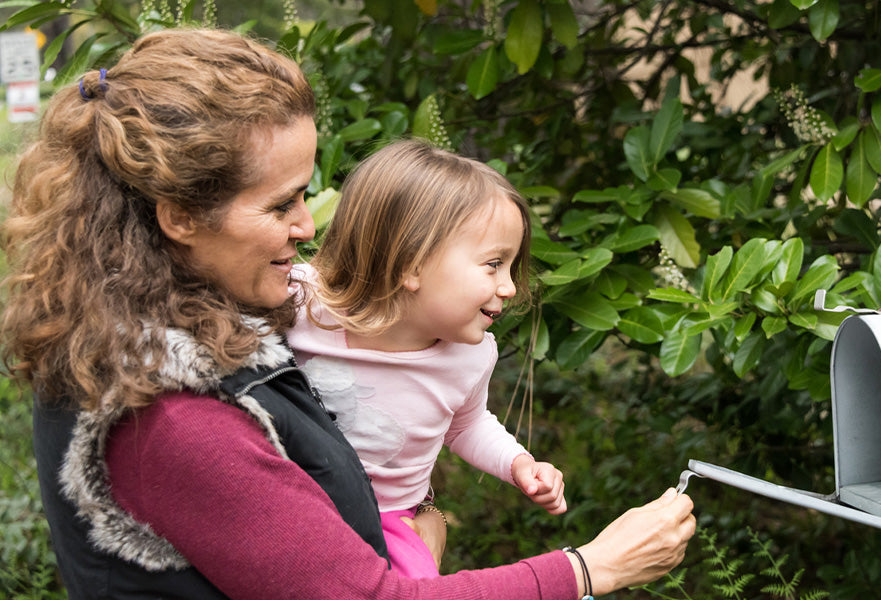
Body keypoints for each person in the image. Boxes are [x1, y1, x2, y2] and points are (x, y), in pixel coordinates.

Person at [0, 27, 695, 599]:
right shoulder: (171, 418)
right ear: (180, 215)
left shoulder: (191, 319)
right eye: (280, 205)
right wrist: (589, 567)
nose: (308, 226)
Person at [287, 139, 566, 579]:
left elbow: (467, 423)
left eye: (511, 268)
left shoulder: (470, 357)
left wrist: (520, 464)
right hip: (292, 502)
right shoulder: (302, 304)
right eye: (494, 264)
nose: (510, 286)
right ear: (411, 263)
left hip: (391, 520)